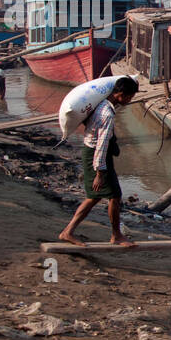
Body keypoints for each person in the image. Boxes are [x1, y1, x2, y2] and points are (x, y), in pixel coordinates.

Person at [58, 76, 139, 247]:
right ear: (120, 95)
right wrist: (100, 173)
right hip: (96, 155)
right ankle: (116, 235)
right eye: (130, 97)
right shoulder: (107, 114)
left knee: (94, 197)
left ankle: (68, 231)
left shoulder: (102, 104)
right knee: (113, 196)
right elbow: (101, 145)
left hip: (91, 152)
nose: (130, 100)